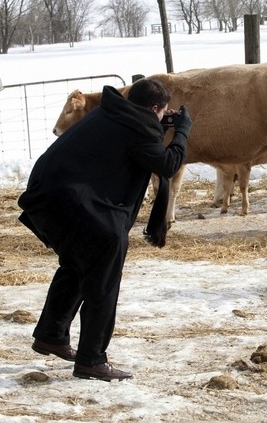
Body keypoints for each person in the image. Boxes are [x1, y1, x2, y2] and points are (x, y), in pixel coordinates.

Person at [17, 78, 191, 381]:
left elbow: (135, 145)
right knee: (103, 280)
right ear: (153, 109)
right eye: (162, 113)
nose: (164, 118)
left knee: (76, 266)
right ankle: (92, 360)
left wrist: (160, 126)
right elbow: (167, 163)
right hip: (76, 206)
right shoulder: (137, 128)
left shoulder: (112, 113)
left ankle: (52, 335)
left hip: (47, 198)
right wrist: (183, 130)